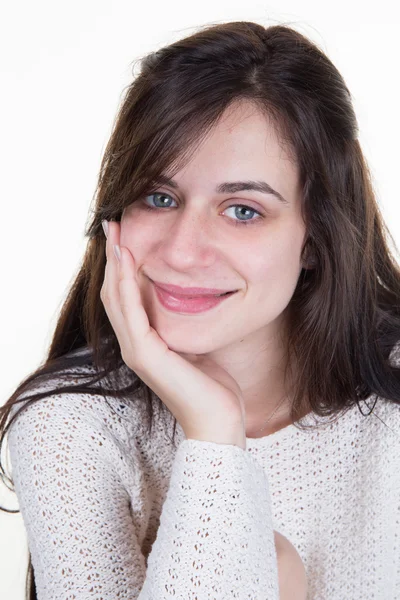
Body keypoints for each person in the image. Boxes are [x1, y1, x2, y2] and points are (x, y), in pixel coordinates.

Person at [1, 20, 400, 600]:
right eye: (158, 198)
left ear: (315, 238)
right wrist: (213, 436)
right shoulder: (70, 427)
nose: (183, 251)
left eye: (243, 210)